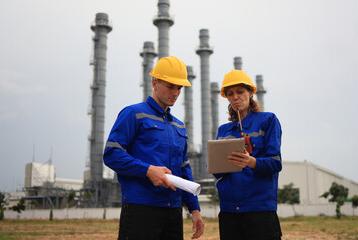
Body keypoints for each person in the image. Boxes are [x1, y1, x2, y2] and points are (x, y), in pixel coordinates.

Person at [103, 56, 204, 240]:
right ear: (154, 82)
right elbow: (111, 154)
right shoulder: (134, 114)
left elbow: (184, 170)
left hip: (173, 212)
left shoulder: (179, 126)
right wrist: (148, 170)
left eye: (179, 88)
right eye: (170, 86)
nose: (175, 92)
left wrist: (194, 209)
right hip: (141, 209)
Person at [214, 69, 282, 240]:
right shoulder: (223, 131)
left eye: (240, 92)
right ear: (227, 98)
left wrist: (251, 162)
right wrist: (218, 164)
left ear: (251, 93)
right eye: (230, 93)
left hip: (259, 210)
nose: (235, 97)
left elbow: (275, 163)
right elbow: (215, 170)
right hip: (229, 212)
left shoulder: (268, 121)